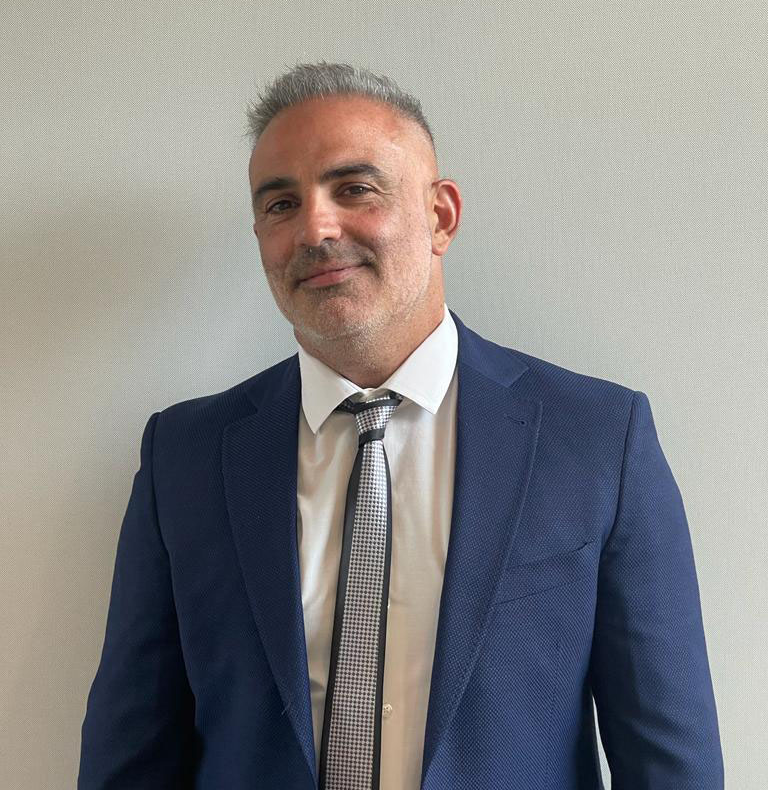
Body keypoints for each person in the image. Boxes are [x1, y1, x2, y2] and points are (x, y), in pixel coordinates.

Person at [78, 62, 724, 789]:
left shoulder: (598, 439)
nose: (316, 228)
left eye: (354, 189)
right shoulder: (185, 458)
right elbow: (130, 754)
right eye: (281, 203)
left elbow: (671, 761)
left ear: (440, 216)